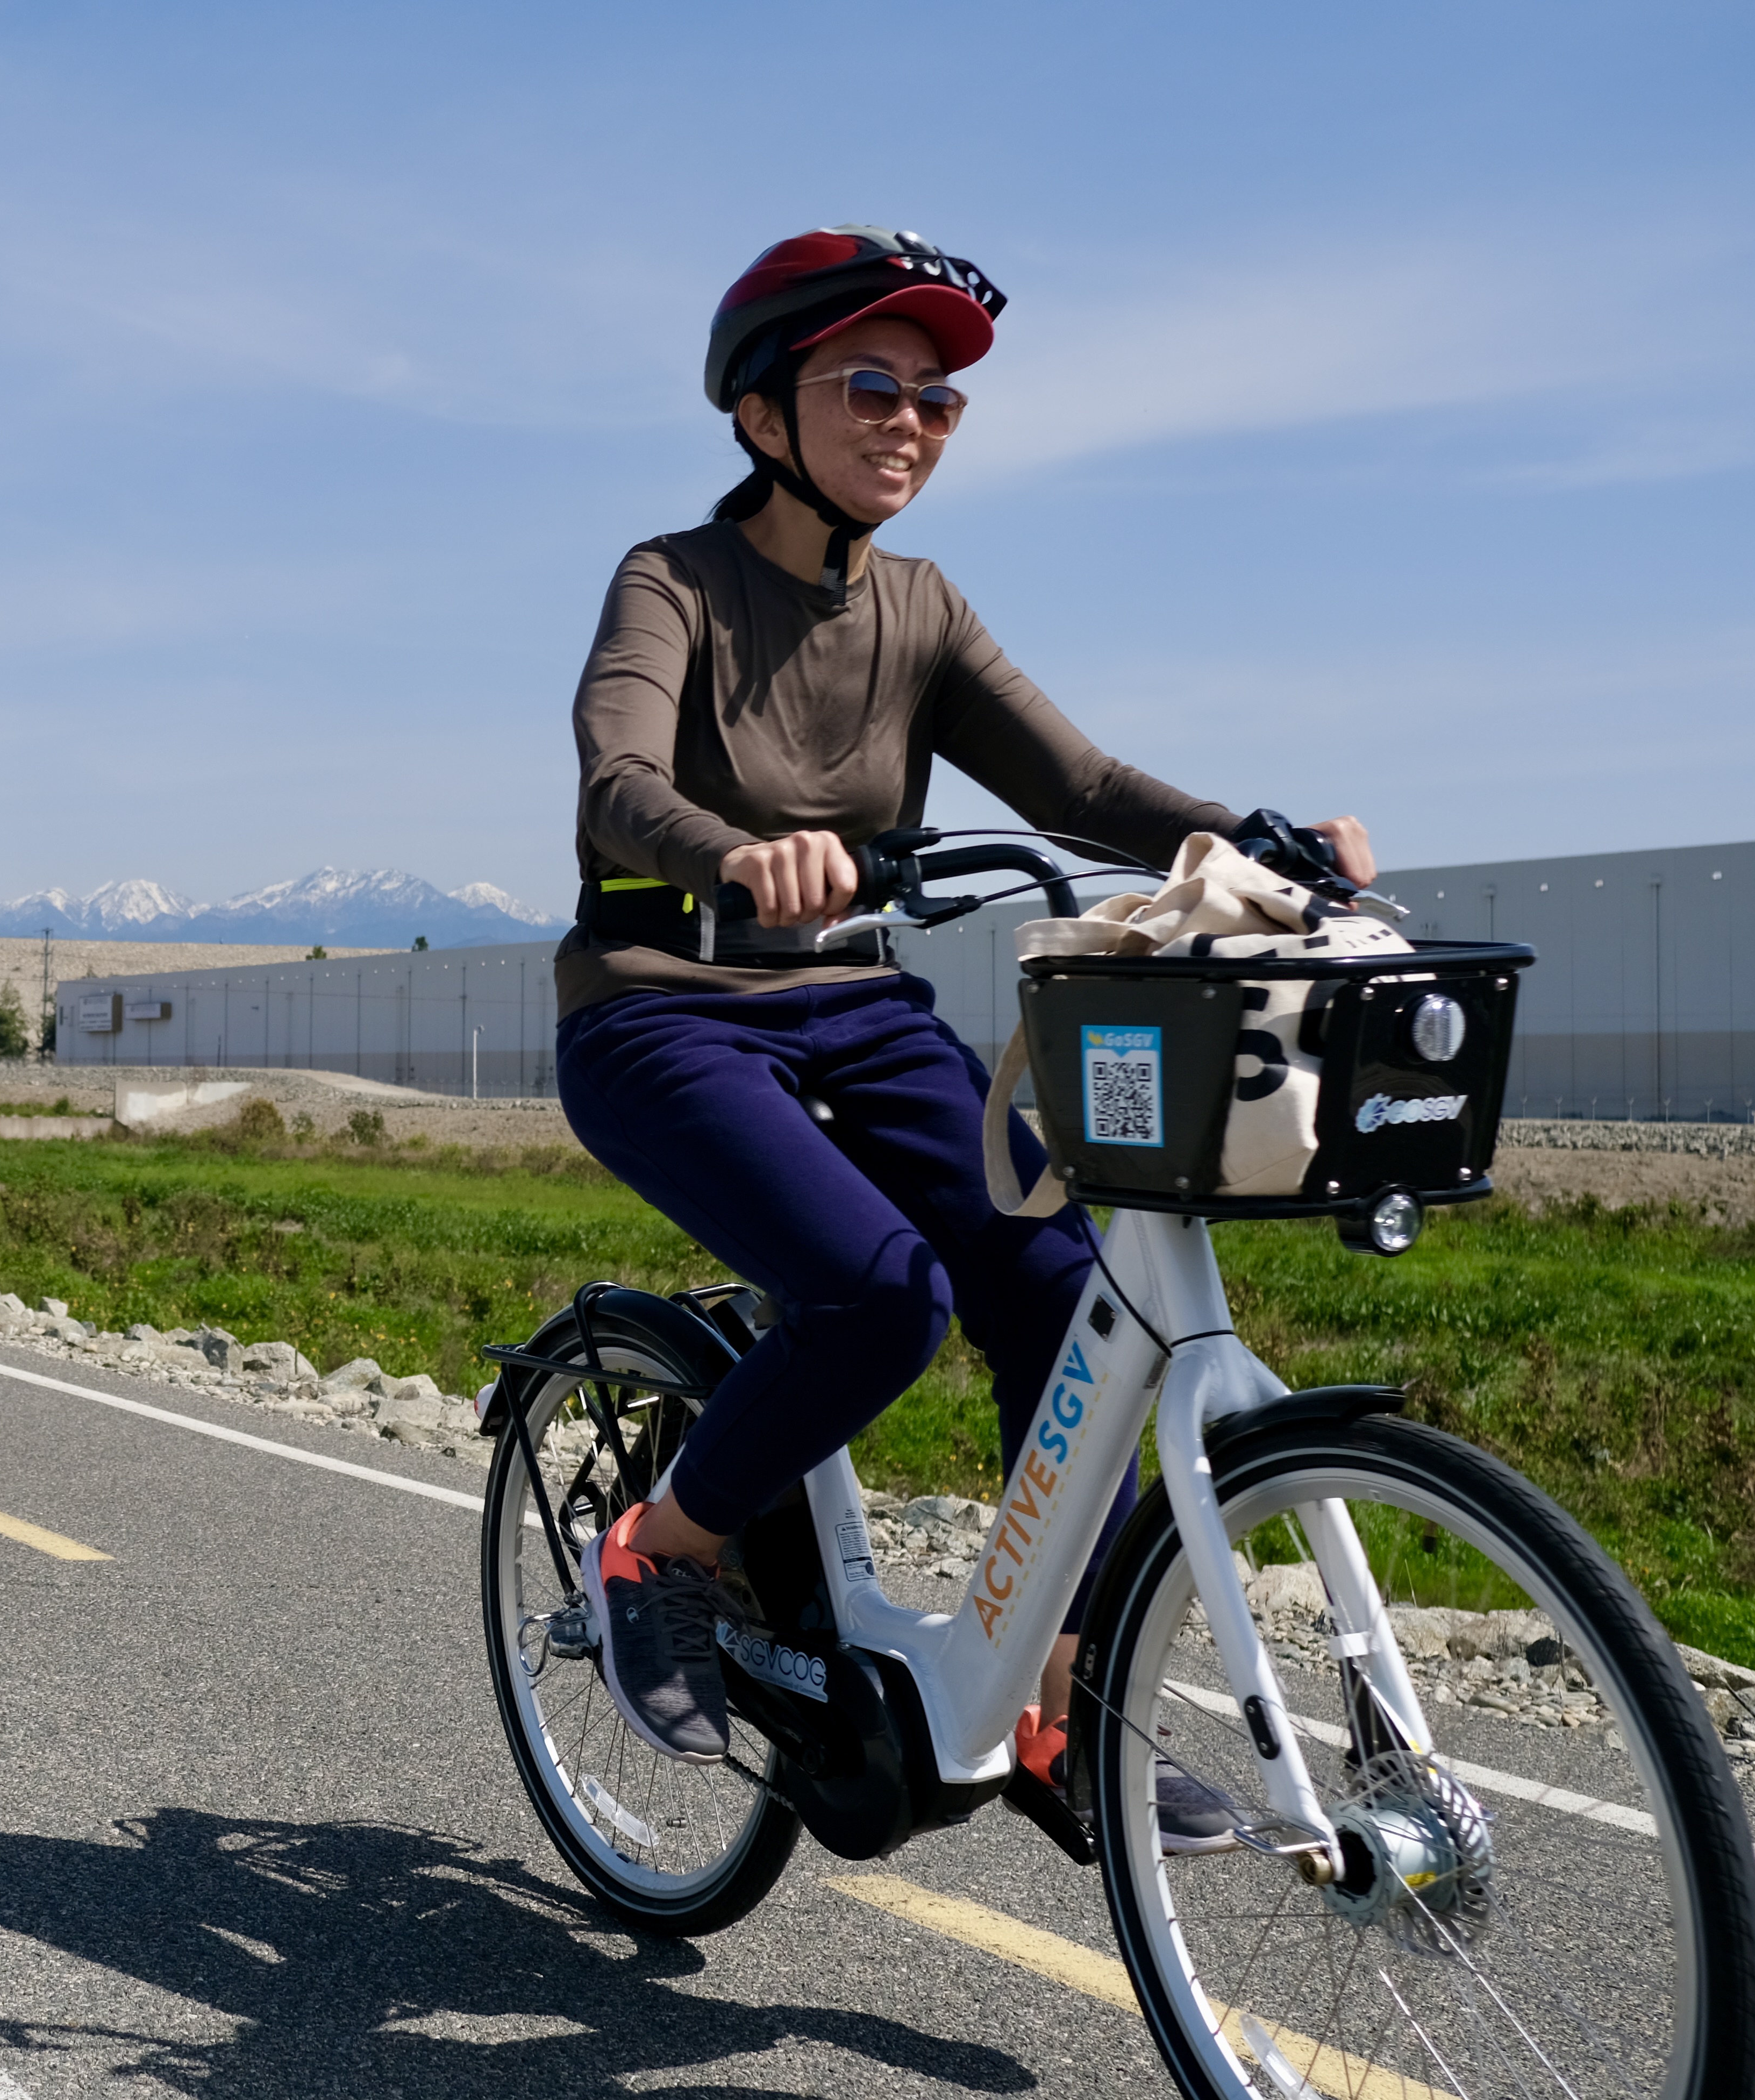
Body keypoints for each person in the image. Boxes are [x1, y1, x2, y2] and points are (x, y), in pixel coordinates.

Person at [553, 226, 1380, 1848]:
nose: (908, 422)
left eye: (935, 401)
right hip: (663, 1005)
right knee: (875, 1292)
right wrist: (728, 849)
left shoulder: (919, 607)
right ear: (758, 413)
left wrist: (1253, 837)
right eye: (870, 385)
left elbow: (1076, 787)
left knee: (1067, 1286)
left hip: (853, 1002)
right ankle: (668, 1543)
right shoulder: (670, 580)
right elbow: (611, 774)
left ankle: (1058, 1706)